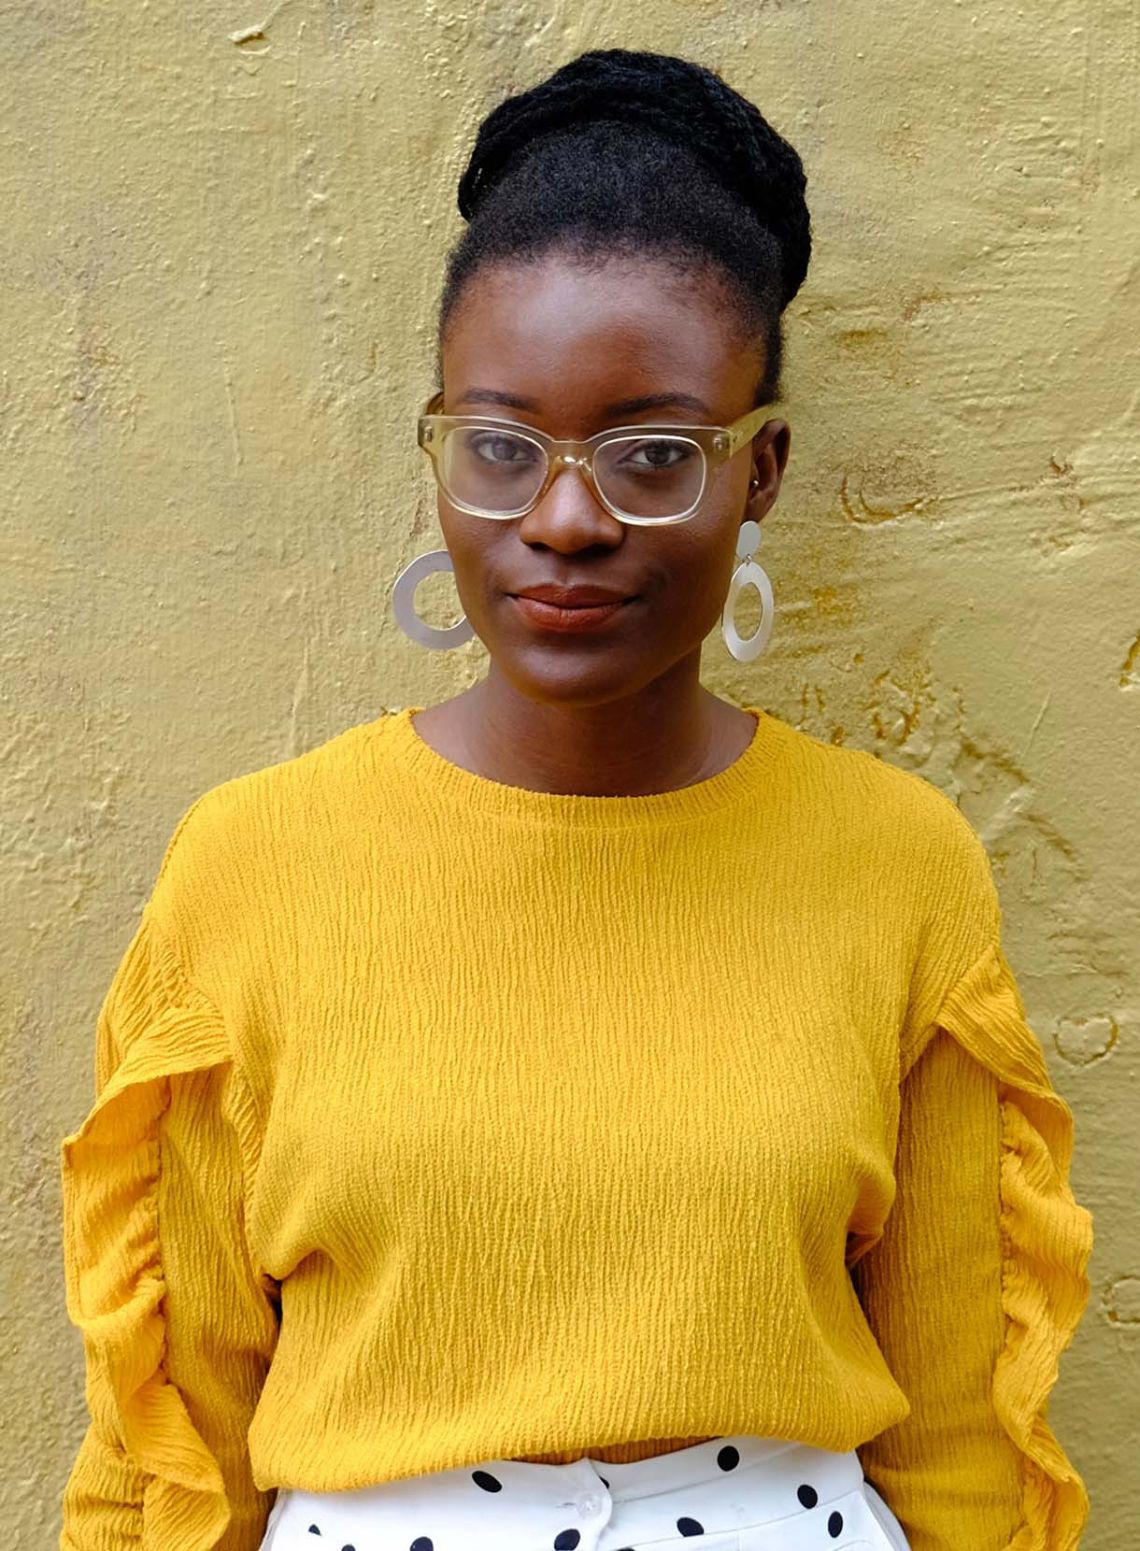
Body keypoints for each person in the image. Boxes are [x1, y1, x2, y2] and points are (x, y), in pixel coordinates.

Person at [57, 47, 1094, 1551]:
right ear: (437, 456)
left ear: (763, 471)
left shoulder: (897, 862)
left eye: (653, 455)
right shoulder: (254, 865)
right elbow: (174, 1432)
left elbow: (961, 1434)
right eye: (499, 447)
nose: (563, 518)